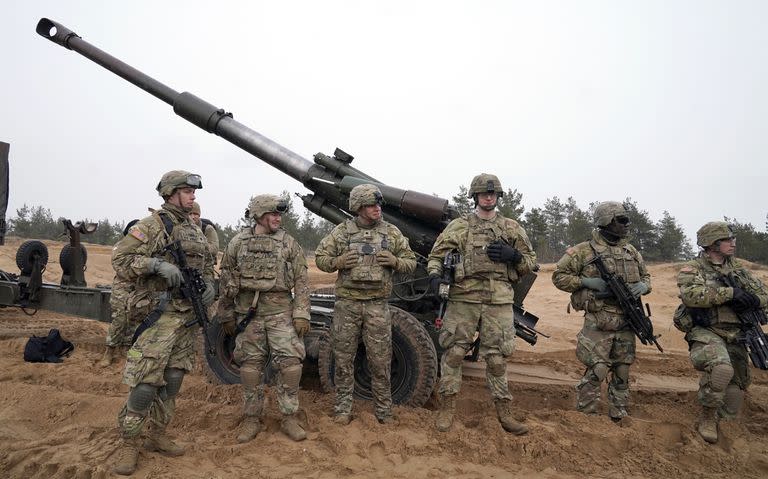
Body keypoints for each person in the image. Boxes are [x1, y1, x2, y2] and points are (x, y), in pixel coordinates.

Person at [110, 170, 215, 476]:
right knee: (145, 383)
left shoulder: (193, 229)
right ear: (170, 193)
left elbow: (206, 266)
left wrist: (209, 286)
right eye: (187, 191)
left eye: (193, 192)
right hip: (160, 315)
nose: (193, 196)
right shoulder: (154, 225)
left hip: (187, 317)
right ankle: (129, 442)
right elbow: (121, 261)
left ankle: (158, 434)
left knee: (172, 380)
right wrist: (155, 264)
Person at [427, 173, 536, 435]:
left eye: (493, 193)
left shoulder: (511, 228)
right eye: (484, 193)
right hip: (464, 298)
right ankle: (447, 410)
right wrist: (434, 276)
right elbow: (436, 256)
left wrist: (515, 255)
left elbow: (531, 263)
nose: (489, 197)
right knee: (453, 354)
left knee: (497, 359)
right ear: (475, 196)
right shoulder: (459, 226)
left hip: (498, 300)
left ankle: (505, 415)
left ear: (498, 197)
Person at [315, 183, 416, 425]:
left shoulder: (391, 233)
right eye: (371, 205)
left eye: (378, 204)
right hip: (347, 305)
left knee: (380, 360)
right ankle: (342, 409)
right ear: (358, 207)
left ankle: (383, 410)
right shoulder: (342, 232)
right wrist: (338, 261)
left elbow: (410, 262)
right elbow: (321, 258)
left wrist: (395, 261)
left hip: (377, 306)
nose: (377, 209)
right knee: (343, 358)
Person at [216, 194, 311, 443]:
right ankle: (251, 418)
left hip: (281, 314)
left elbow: (301, 281)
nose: (278, 218)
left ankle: (289, 416)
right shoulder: (237, 243)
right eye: (273, 214)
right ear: (258, 214)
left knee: (290, 366)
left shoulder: (289, 243)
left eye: (280, 214)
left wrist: (301, 313)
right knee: (250, 368)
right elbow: (225, 282)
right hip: (250, 315)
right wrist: (225, 314)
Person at [551, 201, 651, 421]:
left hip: (627, 320)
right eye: (621, 220)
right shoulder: (583, 251)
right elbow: (558, 277)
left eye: (627, 220)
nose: (626, 224)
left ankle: (619, 412)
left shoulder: (631, 251)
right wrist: (587, 282)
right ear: (606, 221)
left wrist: (643, 286)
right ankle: (586, 415)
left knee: (623, 370)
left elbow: (646, 277)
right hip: (599, 320)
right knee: (598, 370)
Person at [676, 221, 768, 444]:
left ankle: (726, 422)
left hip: (738, 333)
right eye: (727, 240)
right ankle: (707, 418)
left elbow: (763, 295)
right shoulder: (693, 268)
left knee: (736, 388)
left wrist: (753, 300)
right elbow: (691, 295)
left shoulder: (739, 270)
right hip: (707, 331)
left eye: (732, 239)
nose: (733, 244)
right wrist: (730, 294)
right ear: (712, 244)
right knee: (721, 370)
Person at [98, 220, 141, 367]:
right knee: (120, 319)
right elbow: (120, 267)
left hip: (139, 289)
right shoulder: (121, 247)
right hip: (122, 288)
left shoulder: (144, 248)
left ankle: (128, 351)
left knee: (136, 320)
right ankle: (109, 351)